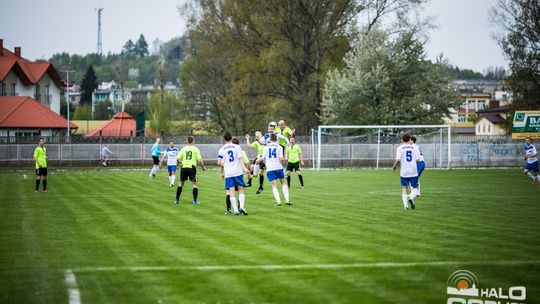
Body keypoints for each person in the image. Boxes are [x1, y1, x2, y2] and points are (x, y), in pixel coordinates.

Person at [218, 132, 250, 215]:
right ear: (231, 138)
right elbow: (240, 158)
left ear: (224, 139)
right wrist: (244, 168)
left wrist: (225, 164)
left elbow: (219, 162)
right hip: (237, 171)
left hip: (228, 173)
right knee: (241, 189)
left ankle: (235, 210)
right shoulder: (237, 147)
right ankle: (241, 207)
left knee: (231, 191)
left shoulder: (222, 149)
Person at [256, 133, 291, 206]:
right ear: (276, 139)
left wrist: (266, 165)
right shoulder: (279, 147)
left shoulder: (266, 147)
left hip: (270, 168)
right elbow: (281, 159)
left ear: (270, 139)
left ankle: (278, 202)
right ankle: (287, 200)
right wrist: (285, 159)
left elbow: (263, 158)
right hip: (278, 167)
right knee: (284, 183)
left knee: (274, 185)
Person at [392, 133, 421, 210]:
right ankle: (411, 197)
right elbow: (418, 160)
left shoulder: (400, 148)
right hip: (413, 170)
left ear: (402, 139)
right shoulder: (414, 147)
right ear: (409, 139)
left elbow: (398, 160)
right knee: (415, 187)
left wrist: (394, 166)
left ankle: (406, 206)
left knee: (404, 188)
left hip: (404, 171)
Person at [175, 136, 206, 205]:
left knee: (181, 183)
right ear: (193, 141)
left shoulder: (184, 149)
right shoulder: (196, 149)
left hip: (184, 167)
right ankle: (195, 201)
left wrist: (181, 164)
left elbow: (177, 159)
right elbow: (200, 161)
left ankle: (177, 200)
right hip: (192, 168)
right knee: (194, 184)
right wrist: (203, 167)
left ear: (187, 141)